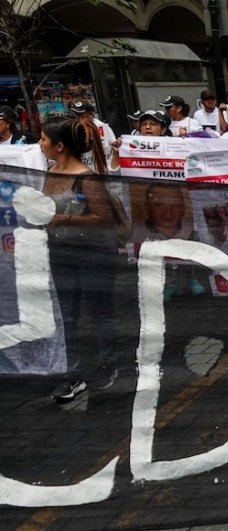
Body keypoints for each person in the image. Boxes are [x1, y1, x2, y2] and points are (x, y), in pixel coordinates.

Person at [40, 116, 118, 401]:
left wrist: (63, 218)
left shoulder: (87, 178)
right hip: (61, 254)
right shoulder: (49, 172)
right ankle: (72, 376)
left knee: (100, 313)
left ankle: (108, 365)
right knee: (67, 316)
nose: (40, 143)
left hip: (95, 255)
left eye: (44, 140)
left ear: (60, 146)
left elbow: (104, 217)